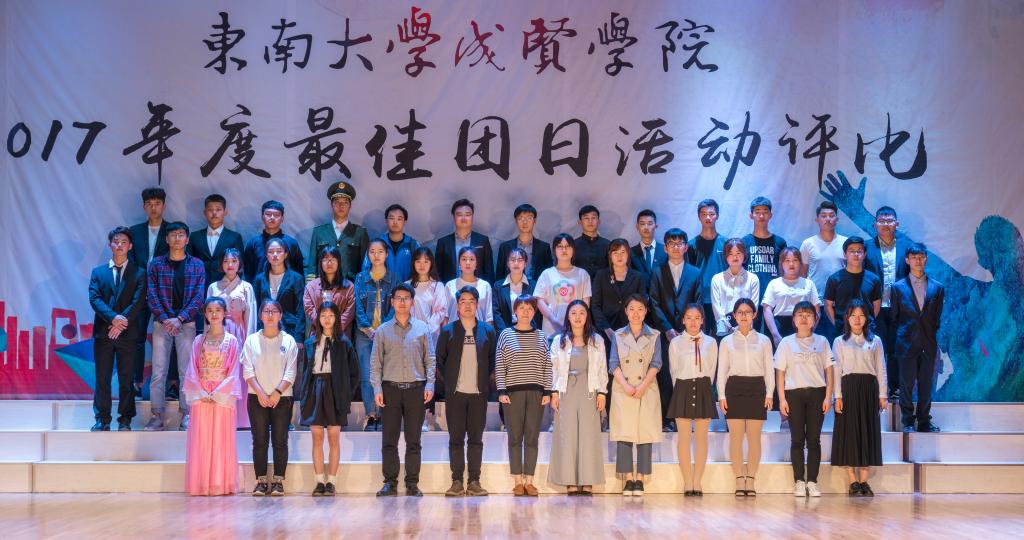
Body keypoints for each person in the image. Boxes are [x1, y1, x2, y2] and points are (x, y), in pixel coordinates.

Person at [370, 284, 435, 497]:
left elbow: (430, 359)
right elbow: (375, 363)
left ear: (412, 302)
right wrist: (377, 388)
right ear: (392, 302)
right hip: (390, 390)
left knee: (414, 440)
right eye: (398, 298)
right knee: (389, 440)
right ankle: (390, 482)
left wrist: (430, 384)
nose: (402, 302)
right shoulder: (382, 330)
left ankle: (412, 483)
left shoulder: (422, 328)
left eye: (406, 298)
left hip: (416, 390)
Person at [145, 222, 205, 431]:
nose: (177, 238)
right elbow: (151, 295)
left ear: (187, 239)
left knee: (186, 371)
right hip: (161, 323)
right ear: (166, 239)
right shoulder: (156, 265)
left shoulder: (197, 265)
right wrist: (165, 319)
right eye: (173, 235)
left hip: (186, 323)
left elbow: (199, 297)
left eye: (181, 235)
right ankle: (156, 416)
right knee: (158, 372)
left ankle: (187, 414)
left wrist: (179, 319)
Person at [437, 286, 497, 497]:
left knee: (475, 440)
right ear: (457, 305)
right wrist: (450, 383)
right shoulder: (448, 331)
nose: (468, 305)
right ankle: (456, 482)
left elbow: (492, 361)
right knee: (455, 439)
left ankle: (474, 481)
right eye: (463, 301)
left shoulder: (488, 331)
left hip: (479, 395)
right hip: (455, 394)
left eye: (472, 301)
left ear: (477, 304)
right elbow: (440, 361)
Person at [88, 226, 146, 431]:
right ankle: (102, 419)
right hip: (103, 333)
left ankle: (125, 419)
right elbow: (95, 299)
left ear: (130, 246)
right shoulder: (98, 272)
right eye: (116, 241)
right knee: (102, 377)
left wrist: (121, 323)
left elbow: (138, 302)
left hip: (128, 334)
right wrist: (113, 319)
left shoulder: (139, 273)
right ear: (110, 245)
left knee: (126, 378)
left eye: (124, 242)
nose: (119, 245)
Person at [774, 301, 834, 498]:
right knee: (797, 440)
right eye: (800, 314)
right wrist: (782, 399)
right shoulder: (786, 343)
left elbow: (829, 371)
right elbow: (780, 373)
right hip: (794, 394)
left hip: (817, 393)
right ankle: (799, 481)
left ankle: (813, 481)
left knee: (814, 440)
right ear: (794, 319)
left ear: (815, 319)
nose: (804, 318)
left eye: (808, 315)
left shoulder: (822, 341)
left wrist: (828, 396)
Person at [183, 297, 242, 496]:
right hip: (202, 395)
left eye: (218, 310)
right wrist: (201, 391)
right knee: (202, 440)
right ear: (205, 314)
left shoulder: (231, 341)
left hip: (221, 396)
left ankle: (219, 483)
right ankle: (201, 483)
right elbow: (192, 369)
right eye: (210, 310)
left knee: (220, 440)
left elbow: (233, 371)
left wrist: (218, 392)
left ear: (225, 313)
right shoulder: (198, 341)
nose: (214, 314)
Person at [548, 299, 607, 496]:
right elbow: (553, 368)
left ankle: (587, 480)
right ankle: (569, 481)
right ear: (568, 316)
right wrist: (554, 392)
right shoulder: (559, 340)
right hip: (566, 391)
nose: (578, 317)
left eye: (582, 313)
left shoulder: (597, 340)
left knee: (589, 435)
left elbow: (602, 368)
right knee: (567, 434)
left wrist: (602, 392)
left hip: (589, 390)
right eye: (573, 313)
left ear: (587, 316)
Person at [495, 294, 552, 497]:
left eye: (530, 308)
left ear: (534, 312)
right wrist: (501, 391)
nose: (526, 312)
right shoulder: (506, 334)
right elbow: (500, 364)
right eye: (522, 308)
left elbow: (547, 365)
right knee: (514, 437)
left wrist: (547, 391)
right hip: (512, 393)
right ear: (515, 311)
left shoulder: (541, 336)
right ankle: (518, 481)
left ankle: (530, 481)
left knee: (532, 437)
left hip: (536, 392)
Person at [300, 302, 359, 497]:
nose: (327, 319)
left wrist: (345, 394)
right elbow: (305, 371)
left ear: (336, 318)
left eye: (331, 315)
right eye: (323, 315)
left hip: (335, 391)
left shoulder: (344, 343)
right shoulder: (310, 343)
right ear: (318, 318)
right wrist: (306, 394)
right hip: (315, 389)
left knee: (334, 437)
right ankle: (319, 481)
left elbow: (354, 373)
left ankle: (331, 482)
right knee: (317, 437)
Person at [717, 298, 774, 496]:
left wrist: (769, 393)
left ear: (754, 315)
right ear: (734, 315)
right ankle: (739, 478)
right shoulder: (726, 342)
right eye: (740, 312)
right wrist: (721, 395)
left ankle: (751, 479)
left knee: (754, 438)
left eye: (748, 312)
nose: (744, 316)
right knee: (735, 438)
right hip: (734, 388)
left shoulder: (764, 341)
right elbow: (722, 371)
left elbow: (769, 370)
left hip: (757, 388)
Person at [242, 299, 299, 496]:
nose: (270, 315)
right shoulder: (251, 340)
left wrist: (276, 393)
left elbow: (291, 373)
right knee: (259, 440)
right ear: (260, 316)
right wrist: (260, 392)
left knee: (280, 440)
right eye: (266, 311)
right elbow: (247, 371)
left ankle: (278, 481)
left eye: (274, 311)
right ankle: (260, 481)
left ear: (280, 315)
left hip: (282, 398)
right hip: (256, 397)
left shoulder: (289, 341)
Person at [832, 299, 888, 497]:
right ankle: (852, 480)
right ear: (847, 318)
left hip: (869, 390)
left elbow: (881, 368)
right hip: (848, 389)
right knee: (848, 433)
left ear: (867, 318)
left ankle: (864, 480)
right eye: (853, 315)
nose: (857, 319)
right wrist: (837, 396)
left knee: (867, 431)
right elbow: (836, 370)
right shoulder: (839, 341)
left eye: (861, 315)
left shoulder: (875, 341)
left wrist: (883, 395)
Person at [648, 228, 702, 431]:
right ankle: (667, 419)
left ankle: (686, 417)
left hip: (688, 334)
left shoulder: (695, 272)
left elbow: (697, 302)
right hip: (665, 334)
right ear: (666, 247)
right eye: (671, 243)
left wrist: (687, 329)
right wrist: (668, 329)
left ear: (686, 247)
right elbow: (653, 303)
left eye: (680, 243)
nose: (676, 247)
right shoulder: (657, 272)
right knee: (665, 377)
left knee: (687, 376)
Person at [608, 294, 663, 497]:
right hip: (624, 389)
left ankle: (640, 478)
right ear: (626, 311)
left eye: (640, 309)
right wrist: (626, 386)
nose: (636, 313)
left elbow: (656, 363)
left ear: (646, 311)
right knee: (624, 433)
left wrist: (642, 386)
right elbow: (613, 363)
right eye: (631, 309)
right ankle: (628, 477)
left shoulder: (654, 335)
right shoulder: (618, 335)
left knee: (644, 433)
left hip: (646, 388)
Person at [890, 243, 945, 432]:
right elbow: (895, 318)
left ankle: (924, 421)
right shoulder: (897, 288)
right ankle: (907, 422)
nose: (918, 261)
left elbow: (936, 318)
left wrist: (926, 334)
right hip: (906, 343)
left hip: (928, 342)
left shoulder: (937, 287)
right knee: (906, 384)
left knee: (926, 384)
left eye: (921, 257)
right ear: (907, 260)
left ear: (926, 259)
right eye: (914, 257)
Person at [666, 304, 718, 496]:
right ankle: (688, 481)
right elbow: (673, 371)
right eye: (689, 317)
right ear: (683, 320)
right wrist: (681, 390)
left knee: (702, 438)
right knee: (684, 438)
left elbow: (712, 370)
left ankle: (698, 481)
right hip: (683, 387)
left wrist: (705, 387)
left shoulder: (711, 342)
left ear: (702, 320)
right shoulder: (676, 343)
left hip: (703, 387)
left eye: (697, 318)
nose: (693, 322)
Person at [862, 206, 912, 400]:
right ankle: (874, 388)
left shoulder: (907, 247)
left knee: (896, 349)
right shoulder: (866, 247)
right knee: (874, 348)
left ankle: (895, 388)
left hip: (900, 308)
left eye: (889, 221)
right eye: (882, 221)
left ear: (896, 224)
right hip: (874, 308)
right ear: (875, 224)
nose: (886, 224)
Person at [206, 248, 258, 428]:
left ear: (239, 264)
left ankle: (241, 419)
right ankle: (220, 417)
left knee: (239, 373)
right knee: (219, 372)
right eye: (226, 261)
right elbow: (207, 315)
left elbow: (250, 315)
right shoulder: (213, 287)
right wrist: (208, 340)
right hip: (218, 332)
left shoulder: (246, 287)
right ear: (221, 264)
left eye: (234, 261)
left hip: (238, 332)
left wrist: (249, 343)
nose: (230, 265)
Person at [354, 239, 402, 432]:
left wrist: (381, 329)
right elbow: (357, 306)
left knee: (385, 375)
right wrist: (367, 328)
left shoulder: (394, 278)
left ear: (386, 254)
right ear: (368, 255)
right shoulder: (360, 278)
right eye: (372, 251)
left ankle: (383, 415)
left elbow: (396, 306)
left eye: (380, 251)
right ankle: (371, 414)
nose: (376, 255)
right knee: (367, 375)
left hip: (388, 334)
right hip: (364, 334)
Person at [127, 187, 170, 396]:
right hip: (140, 292)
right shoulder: (134, 232)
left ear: (164, 206)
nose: (154, 208)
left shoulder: (173, 230)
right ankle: (135, 382)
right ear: (144, 206)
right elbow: (130, 262)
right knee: (137, 338)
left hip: (165, 294)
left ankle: (170, 384)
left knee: (169, 338)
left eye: (157, 204)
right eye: (149, 204)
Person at [408, 247, 450, 430]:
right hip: (410, 338)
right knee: (414, 377)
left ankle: (425, 417)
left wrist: (425, 330)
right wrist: (415, 331)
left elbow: (441, 312)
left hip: (432, 338)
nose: (422, 265)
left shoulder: (438, 286)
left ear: (431, 263)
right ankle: (413, 415)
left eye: (426, 261)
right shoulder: (407, 286)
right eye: (418, 261)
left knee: (429, 377)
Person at [799, 201, 848, 340]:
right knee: (815, 344)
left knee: (839, 343)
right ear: (817, 220)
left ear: (837, 219)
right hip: (816, 303)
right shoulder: (808, 244)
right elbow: (803, 275)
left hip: (840, 303)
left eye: (831, 215)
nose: (828, 219)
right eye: (824, 216)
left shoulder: (846, 243)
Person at [307, 181, 370, 282]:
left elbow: (365, 265)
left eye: (345, 202)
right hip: (323, 285)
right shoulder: (319, 232)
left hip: (350, 286)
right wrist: (312, 286)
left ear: (350, 206)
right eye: (337, 202)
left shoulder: (360, 233)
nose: (341, 205)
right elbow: (312, 265)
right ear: (331, 204)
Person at [823, 236, 882, 340]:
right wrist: (837, 324)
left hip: (867, 331)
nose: (856, 254)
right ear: (845, 254)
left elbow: (876, 306)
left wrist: (867, 323)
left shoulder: (874, 279)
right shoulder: (834, 279)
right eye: (852, 251)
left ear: (864, 254)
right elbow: (828, 306)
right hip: (842, 331)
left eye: (859, 251)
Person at [742, 197, 787, 329]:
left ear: (770, 215)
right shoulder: (744, 242)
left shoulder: (780, 242)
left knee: (773, 335)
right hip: (750, 296)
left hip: (774, 298)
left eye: (765, 212)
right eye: (757, 212)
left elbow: (784, 272)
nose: (761, 216)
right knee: (750, 336)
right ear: (751, 215)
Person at [534, 233, 592, 337]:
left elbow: (586, 303)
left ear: (573, 249)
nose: (564, 250)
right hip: (551, 331)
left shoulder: (582, 274)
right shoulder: (547, 274)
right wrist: (554, 321)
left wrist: (576, 321)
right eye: (560, 246)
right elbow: (539, 301)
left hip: (576, 331)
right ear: (554, 250)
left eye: (567, 246)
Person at [762, 247, 821, 348]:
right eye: (787, 260)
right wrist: (775, 335)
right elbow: (767, 309)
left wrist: (810, 331)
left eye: (795, 260)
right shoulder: (774, 283)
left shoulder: (809, 283)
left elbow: (817, 310)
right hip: (780, 326)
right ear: (781, 263)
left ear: (800, 263)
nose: (791, 264)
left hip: (804, 323)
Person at [252, 238, 306, 343]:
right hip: (264, 331)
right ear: (266, 255)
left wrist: (299, 338)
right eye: (271, 252)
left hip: (290, 331)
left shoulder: (296, 278)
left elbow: (300, 311)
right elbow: (256, 309)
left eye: (279, 251)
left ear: (285, 254)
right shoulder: (259, 279)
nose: (275, 255)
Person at [592, 239, 646, 343]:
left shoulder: (638, 277)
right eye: (615, 253)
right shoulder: (601, 275)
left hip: (632, 329)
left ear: (628, 254)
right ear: (610, 255)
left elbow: (642, 304)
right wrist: (607, 329)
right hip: (606, 330)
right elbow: (595, 305)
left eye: (622, 252)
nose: (619, 256)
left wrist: (634, 326)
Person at [687, 199, 727, 335]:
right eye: (704, 214)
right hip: (701, 299)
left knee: (722, 338)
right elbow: (689, 275)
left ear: (717, 216)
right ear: (699, 217)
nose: (708, 217)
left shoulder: (726, 243)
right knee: (701, 340)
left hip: (722, 299)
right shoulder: (691, 245)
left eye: (711, 214)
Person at [187, 193, 245, 285]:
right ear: (205, 213)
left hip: (226, 287)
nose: (214, 213)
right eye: (210, 210)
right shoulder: (195, 236)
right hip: (199, 286)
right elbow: (189, 264)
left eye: (218, 209)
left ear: (225, 213)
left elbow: (240, 266)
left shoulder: (234, 237)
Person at [710, 238, 761, 339]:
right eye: (730, 253)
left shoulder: (753, 278)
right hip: (724, 328)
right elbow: (716, 306)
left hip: (746, 326)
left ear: (744, 254)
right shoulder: (717, 279)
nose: (735, 257)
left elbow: (754, 305)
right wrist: (728, 326)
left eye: (738, 253)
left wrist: (741, 325)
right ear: (725, 256)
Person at [435, 198, 494, 283]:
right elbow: (438, 272)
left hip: (477, 289)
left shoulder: (483, 240)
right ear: (453, 217)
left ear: (472, 217)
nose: (463, 218)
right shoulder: (443, 242)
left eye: (467, 214)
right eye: (459, 214)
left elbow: (489, 272)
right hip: (450, 289)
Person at [242, 200, 304, 280]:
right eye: (268, 214)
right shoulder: (253, 243)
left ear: (282, 218)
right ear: (262, 217)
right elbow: (248, 272)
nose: (272, 217)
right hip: (259, 287)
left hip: (287, 287)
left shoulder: (291, 243)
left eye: (276, 215)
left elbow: (299, 271)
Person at [303, 246, 356, 338]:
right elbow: (309, 310)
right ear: (320, 263)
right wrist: (323, 328)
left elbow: (349, 313)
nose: (329, 263)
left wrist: (335, 329)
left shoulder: (349, 286)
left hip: (341, 336)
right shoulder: (310, 286)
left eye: (333, 259)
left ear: (339, 262)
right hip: (317, 336)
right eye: (325, 259)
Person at [361, 203, 419, 282]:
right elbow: (366, 270)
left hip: (406, 289)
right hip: (381, 289)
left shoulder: (413, 245)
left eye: (399, 219)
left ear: (405, 222)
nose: (395, 222)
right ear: (386, 221)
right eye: (392, 218)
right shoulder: (376, 244)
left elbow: (421, 273)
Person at [495, 203, 552, 283]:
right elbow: (499, 277)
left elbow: (548, 275)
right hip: (511, 288)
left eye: (529, 218)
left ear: (534, 221)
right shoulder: (505, 247)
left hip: (537, 288)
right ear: (516, 221)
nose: (525, 222)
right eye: (520, 218)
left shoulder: (544, 248)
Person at [492, 247, 541, 333]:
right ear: (508, 263)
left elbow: (536, 313)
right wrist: (504, 334)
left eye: (520, 260)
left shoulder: (533, 285)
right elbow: (496, 312)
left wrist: (530, 331)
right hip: (505, 332)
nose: (516, 263)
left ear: (525, 263)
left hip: (529, 331)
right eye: (513, 260)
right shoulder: (498, 286)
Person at [444, 247, 493, 323]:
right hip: (454, 329)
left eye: (471, 259)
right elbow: (445, 316)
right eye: (464, 259)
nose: (468, 262)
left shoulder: (485, 286)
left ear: (476, 264)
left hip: (479, 329)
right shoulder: (450, 285)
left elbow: (489, 317)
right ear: (459, 264)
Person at [629, 209, 667, 286]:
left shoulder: (665, 250)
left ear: (656, 226)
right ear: (637, 227)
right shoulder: (630, 252)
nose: (646, 227)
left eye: (650, 223)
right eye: (642, 224)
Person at [574, 205, 611, 280]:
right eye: (586, 218)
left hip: (603, 285)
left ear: (599, 221)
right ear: (579, 222)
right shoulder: (573, 245)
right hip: (579, 285)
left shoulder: (608, 245)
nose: (590, 221)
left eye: (593, 218)